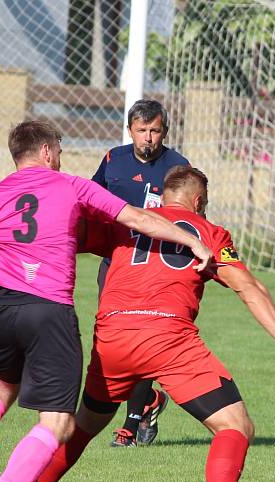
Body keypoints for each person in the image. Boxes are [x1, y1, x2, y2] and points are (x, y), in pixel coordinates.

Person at [21, 165, 275, 482]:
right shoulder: (210, 233)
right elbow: (249, 288)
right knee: (235, 426)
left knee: (86, 423)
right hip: (167, 338)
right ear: (199, 201)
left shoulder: (129, 220)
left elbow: (69, 234)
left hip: (113, 335)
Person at [0, 120, 213, 482]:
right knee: (58, 422)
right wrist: (192, 240)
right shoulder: (70, 185)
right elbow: (136, 218)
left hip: (2, 309)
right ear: (48, 151)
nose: (63, 156)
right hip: (48, 311)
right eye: (62, 148)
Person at [92, 99, 190, 448]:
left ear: (165, 131)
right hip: (115, 265)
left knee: (145, 339)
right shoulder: (112, 160)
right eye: (141, 130)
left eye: (155, 130)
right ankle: (148, 401)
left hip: (156, 270)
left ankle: (130, 425)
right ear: (130, 129)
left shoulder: (178, 168)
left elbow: (190, 218)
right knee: (112, 339)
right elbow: (91, 202)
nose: (148, 137)